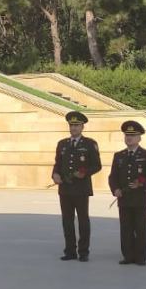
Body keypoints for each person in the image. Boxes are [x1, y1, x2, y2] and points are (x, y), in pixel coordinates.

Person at [50, 111, 102, 261]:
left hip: (81, 188)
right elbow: (57, 164)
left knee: (83, 220)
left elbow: (97, 165)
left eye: (76, 125)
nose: (73, 128)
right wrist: (55, 175)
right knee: (67, 220)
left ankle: (84, 251)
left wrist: (84, 173)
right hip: (65, 189)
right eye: (71, 125)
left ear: (82, 127)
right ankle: (70, 251)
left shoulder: (90, 144)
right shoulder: (62, 144)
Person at [108, 120, 146, 265]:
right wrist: (115, 189)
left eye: (133, 135)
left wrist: (142, 183)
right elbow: (113, 176)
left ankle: (140, 257)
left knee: (140, 229)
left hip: (140, 199)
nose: (129, 138)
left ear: (139, 138)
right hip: (124, 199)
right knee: (126, 229)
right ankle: (127, 256)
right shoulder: (119, 155)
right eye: (127, 135)